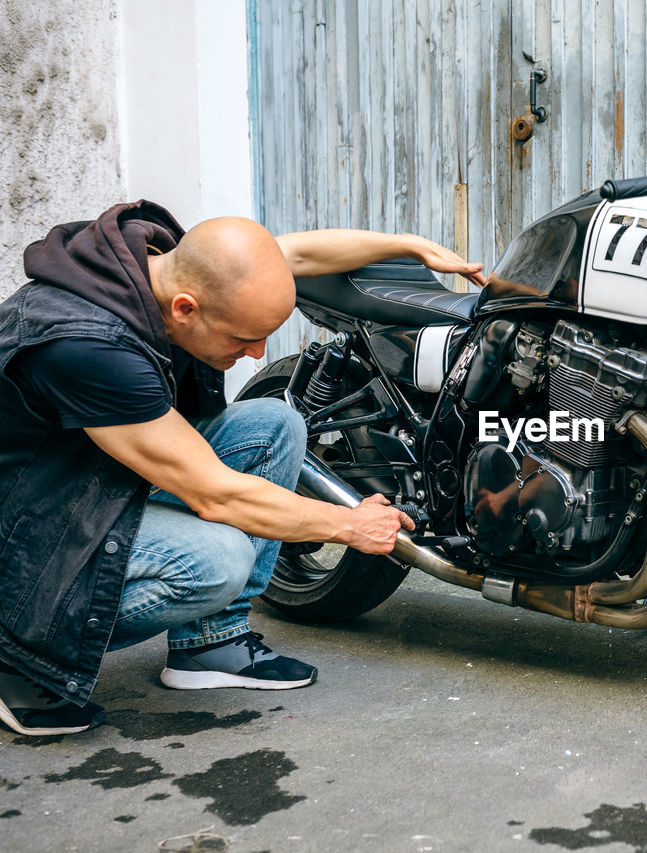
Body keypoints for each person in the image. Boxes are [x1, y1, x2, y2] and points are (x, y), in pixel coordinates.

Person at [0, 200, 485, 736]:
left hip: (84, 478)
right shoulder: (88, 346)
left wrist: (407, 245)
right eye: (241, 338)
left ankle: (210, 646)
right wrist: (347, 525)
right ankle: (22, 655)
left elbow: (295, 252)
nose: (256, 354)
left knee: (274, 423)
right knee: (214, 562)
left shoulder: (161, 265)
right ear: (186, 307)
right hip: (25, 530)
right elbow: (218, 496)